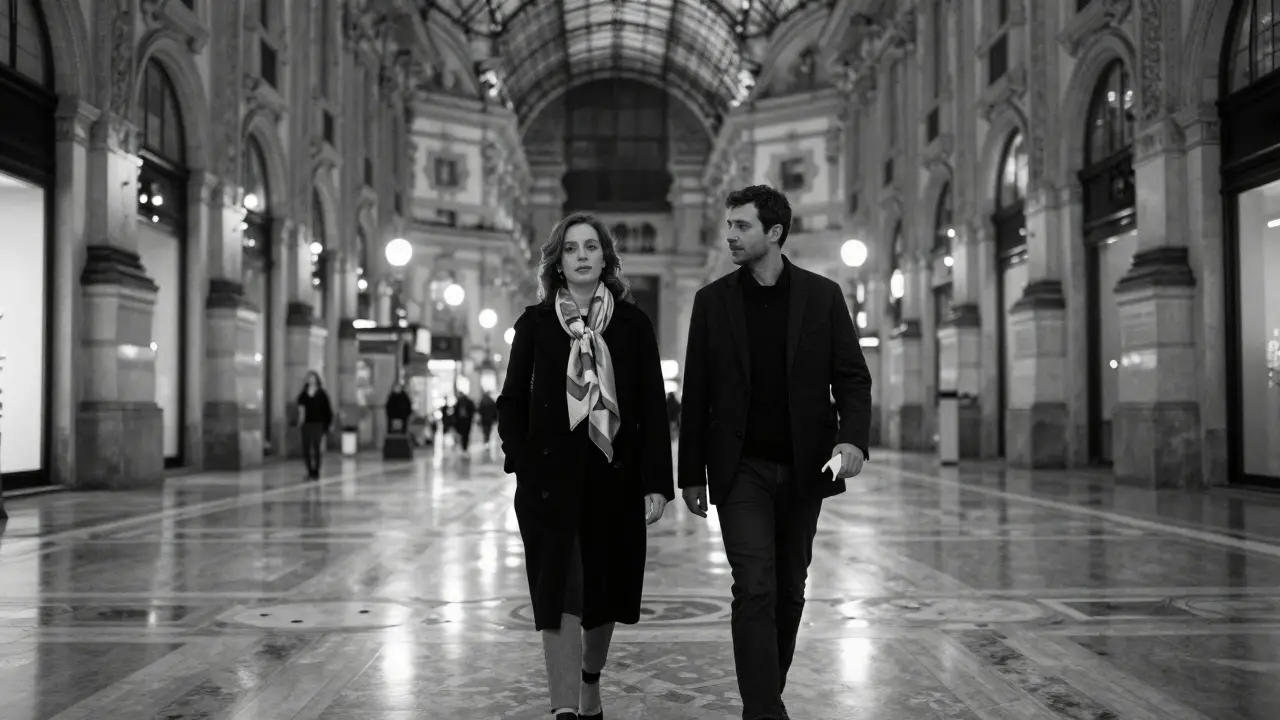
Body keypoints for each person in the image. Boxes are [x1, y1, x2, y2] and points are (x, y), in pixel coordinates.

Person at [678, 185, 873, 720]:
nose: (731, 235)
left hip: (806, 466)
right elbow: (697, 393)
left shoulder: (823, 296)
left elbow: (852, 379)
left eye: (742, 226)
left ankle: (767, 694)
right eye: (731, 225)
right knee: (754, 586)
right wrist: (690, 474)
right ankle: (762, 710)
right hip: (741, 469)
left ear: (775, 233)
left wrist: (852, 437)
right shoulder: (712, 302)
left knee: (790, 589)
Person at [498, 212, 675, 720]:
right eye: (571, 248)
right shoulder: (533, 325)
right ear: (558, 261)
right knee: (560, 592)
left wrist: (656, 483)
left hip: (613, 480)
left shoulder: (633, 325)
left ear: (605, 259)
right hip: (549, 486)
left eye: (590, 247)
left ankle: (590, 679)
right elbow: (510, 401)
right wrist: (522, 462)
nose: (581, 255)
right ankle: (565, 710)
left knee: (604, 593)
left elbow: (648, 408)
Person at [296, 370, 334, 480]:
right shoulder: (303, 394)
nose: (311, 380)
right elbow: (300, 408)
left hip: (318, 424)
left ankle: (316, 471)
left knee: (316, 448)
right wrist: (299, 421)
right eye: (309, 378)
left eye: (313, 377)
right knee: (306, 449)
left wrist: (328, 424)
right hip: (306, 424)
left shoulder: (322, 394)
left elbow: (327, 410)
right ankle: (309, 471)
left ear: (317, 379)